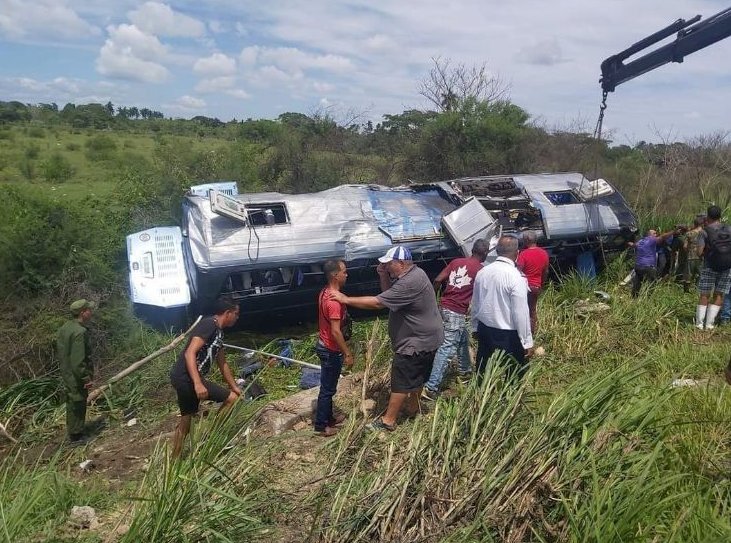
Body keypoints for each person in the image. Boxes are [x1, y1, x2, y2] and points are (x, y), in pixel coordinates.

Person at [331, 245, 443, 431]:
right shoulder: (414, 274)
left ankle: (387, 421)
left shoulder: (409, 282)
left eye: (389, 264)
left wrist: (346, 299)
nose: (386, 267)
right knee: (416, 376)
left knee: (401, 381)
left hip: (415, 342)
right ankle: (413, 407)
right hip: (427, 337)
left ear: (400, 263)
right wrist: (383, 275)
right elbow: (388, 296)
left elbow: (378, 303)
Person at [169, 297, 242, 458]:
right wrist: (197, 384)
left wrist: (234, 386)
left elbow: (222, 363)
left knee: (186, 420)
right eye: (236, 314)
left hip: (186, 377)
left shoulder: (219, 332)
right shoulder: (209, 325)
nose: (237, 317)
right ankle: (210, 439)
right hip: (186, 377)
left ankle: (175, 458)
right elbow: (190, 353)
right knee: (231, 400)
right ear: (228, 313)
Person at [422, 239, 489, 400]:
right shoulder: (481, 270)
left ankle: (465, 371)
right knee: (446, 348)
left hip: (443, 307)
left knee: (462, 338)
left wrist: (432, 300)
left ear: (472, 250)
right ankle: (431, 387)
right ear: (485, 253)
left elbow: (438, 280)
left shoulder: (456, 262)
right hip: (457, 311)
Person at [471, 236, 534, 382]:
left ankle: (480, 399)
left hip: (485, 329)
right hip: (508, 334)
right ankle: (510, 402)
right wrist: (526, 341)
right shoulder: (515, 277)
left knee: (482, 370)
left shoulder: (483, 272)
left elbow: (476, 303)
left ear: (497, 251)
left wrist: (475, 328)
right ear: (517, 253)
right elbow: (520, 312)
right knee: (513, 375)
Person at [314, 260, 352, 437]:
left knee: (328, 386)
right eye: (344, 272)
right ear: (335, 275)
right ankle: (322, 426)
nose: (346, 274)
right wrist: (347, 353)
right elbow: (336, 332)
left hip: (323, 344)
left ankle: (329, 418)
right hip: (330, 349)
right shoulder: (334, 302)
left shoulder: (324, 293)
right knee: (327, 389)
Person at [57, 299, 96, 444]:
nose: (91, 312)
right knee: (78, 403)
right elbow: (78, 361)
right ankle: (76, 437)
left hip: (67, 373)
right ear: (83, 313)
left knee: (72, 402)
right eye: (89, 310)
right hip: (76, 376)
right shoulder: (79, 332)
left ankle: (74, 431)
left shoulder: (66, 327)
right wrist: (86, 378)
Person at [695, 205, 731, 330]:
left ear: (708, 216)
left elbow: (699, 252)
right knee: (719, 295)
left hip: (709, 266)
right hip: (727, 267)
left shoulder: (704, 231)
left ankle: (699, 324)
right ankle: (710, 325)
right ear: (720, 216)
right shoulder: (729, 229)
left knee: (704, 294)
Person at [516, 231, 550, 334]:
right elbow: (546, 271)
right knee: (532, 310)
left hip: (525, 287)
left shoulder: (523, 254)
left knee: (522, 311)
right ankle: (532, 333)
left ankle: (525, 334)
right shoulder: (544, 253)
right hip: (536, 286)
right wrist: (541, 284)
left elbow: (518, 271)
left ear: (526, 240)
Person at [628, 228, 675, 297]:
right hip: (648, 266)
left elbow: (633, 245)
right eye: (654, 233)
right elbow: (663, 237)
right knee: (652, 283)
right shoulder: (651, 239)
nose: (656, 235)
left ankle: (634, 298)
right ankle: (649, 298)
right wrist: (674, 231)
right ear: (649, 235)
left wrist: (628, 242)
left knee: (637, 282)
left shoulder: (640, 241)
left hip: (638, 266)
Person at [682, 216, 705, 292]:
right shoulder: (705, 233)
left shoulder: (689, 233)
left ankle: (686, 292)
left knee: (688, 275)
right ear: (702, 224)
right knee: (700, 275)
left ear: (694, 224)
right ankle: (697, 291)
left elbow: (685, 247)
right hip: (701, 257)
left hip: (690, 257)